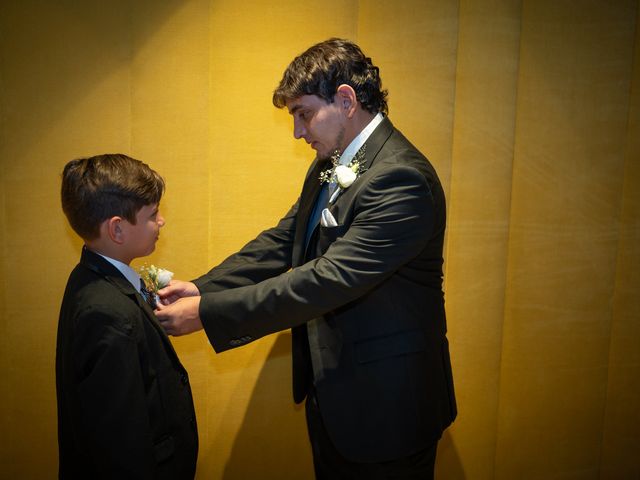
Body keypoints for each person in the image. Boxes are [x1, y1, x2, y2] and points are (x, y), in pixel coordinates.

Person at [156, 38, 456, 479]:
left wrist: (206, 313)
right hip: (335, 392)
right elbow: (285, 241)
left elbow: (328, 279)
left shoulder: (401, 178)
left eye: (304, 113)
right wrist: (205, 286)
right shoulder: (328, 164)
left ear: (347, 100)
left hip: (388, 406)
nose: (298, 131)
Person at [57, 154, 198, 479]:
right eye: (152, 214)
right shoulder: (106, 313)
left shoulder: (88, 276)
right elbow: (120, 440)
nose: (161, 221)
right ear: (117, 229)